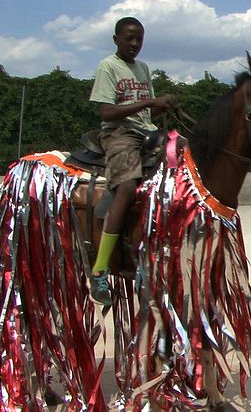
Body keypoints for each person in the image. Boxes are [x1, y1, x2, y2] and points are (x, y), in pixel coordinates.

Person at [88, 16, 177, 305]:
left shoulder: (143, 68)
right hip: (119, 134)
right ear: (116, 39)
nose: (134, 44)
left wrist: (162, 108)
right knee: (126, 187)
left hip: (146, 132)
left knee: (183, 171)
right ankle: (100, 269)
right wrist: (151, 102)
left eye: (139, 38)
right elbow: (106, 112)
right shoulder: (108, 67)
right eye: (129, 38)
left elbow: (146, 115)